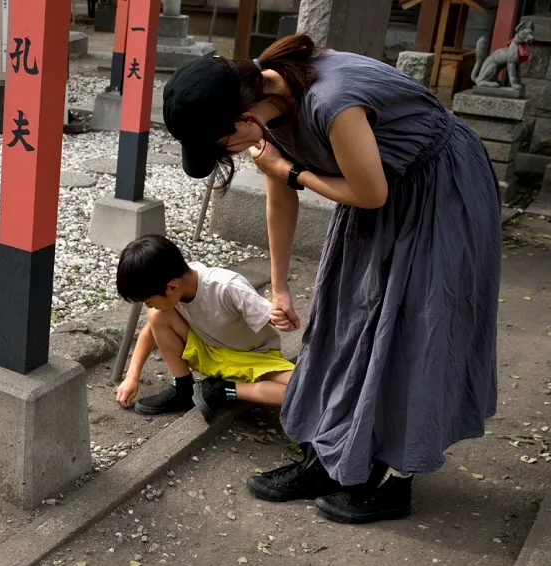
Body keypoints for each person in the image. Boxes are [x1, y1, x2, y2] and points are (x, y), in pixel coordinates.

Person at [160, 35, 500, 525]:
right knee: (345, 323)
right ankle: (331, 458)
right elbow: (280, 196)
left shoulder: (332, 100)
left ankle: (395, 483)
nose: (230, 151)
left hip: (439, 193)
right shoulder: (264, 104)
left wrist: (292, 171)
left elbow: (368, 192)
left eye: (222, 144)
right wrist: (279, 287)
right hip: (377, 193)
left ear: (244, 116)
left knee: (417, 331)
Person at [114, 234, 295, 421]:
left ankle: (225, 390)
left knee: (300, 391)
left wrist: (283, 317)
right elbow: (149, 331)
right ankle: (183, 389)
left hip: (253, 358)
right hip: (209, 351)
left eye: (149, 301)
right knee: (157, 316)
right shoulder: (173, 283)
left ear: (172, 287)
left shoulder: (227, 288)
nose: (148, 306)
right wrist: (132, 377)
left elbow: (272, 315)